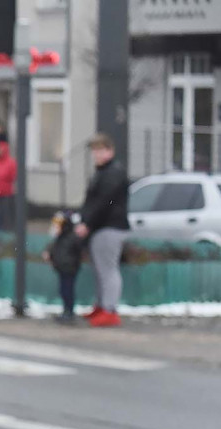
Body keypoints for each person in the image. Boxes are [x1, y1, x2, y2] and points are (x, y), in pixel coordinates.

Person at [75, 133, 129, 328]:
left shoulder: (112, 173)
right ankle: (102, 305)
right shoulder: (104, 171)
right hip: (102, 226)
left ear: (110, 151)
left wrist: (87, 223)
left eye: (100, 150)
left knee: (108, 269)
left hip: (109, 226)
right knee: (100, 269)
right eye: (95, 151)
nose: (96, 154)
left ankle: (109, 309)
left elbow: (103, 201)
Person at [43, 211, 83, 323]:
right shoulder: (61, 238)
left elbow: (77, 251)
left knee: (67, 290)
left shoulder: (71, 238)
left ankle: (69, 312)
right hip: (63, 268)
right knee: (64, 290)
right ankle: (67, 311)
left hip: (69, 269)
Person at [0, 136, 17, 232]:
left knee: (7, 214)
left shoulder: (10, 162)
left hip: (7, 193)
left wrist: (3, 178)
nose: (0, 151)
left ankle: (9, 231)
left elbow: (13, 176)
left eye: (1, 149)